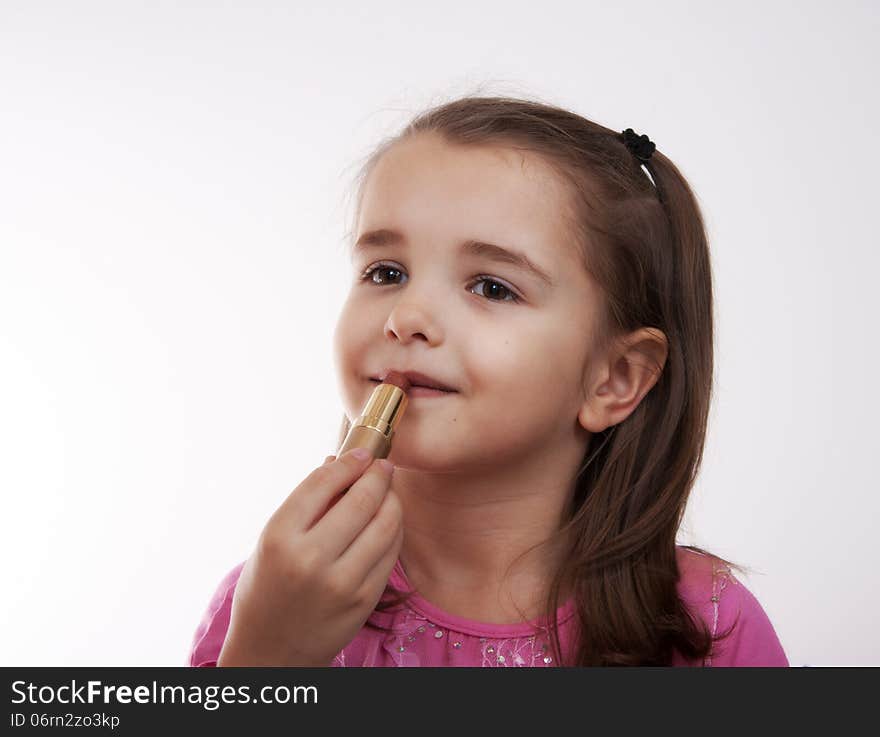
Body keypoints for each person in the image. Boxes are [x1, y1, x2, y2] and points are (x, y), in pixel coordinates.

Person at [188, 95, 789, 667]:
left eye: (492, 287)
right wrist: (266, 656)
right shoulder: (271, 601)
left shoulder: (707, 625)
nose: (407, 318)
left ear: (615, 379)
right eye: (385, 271)